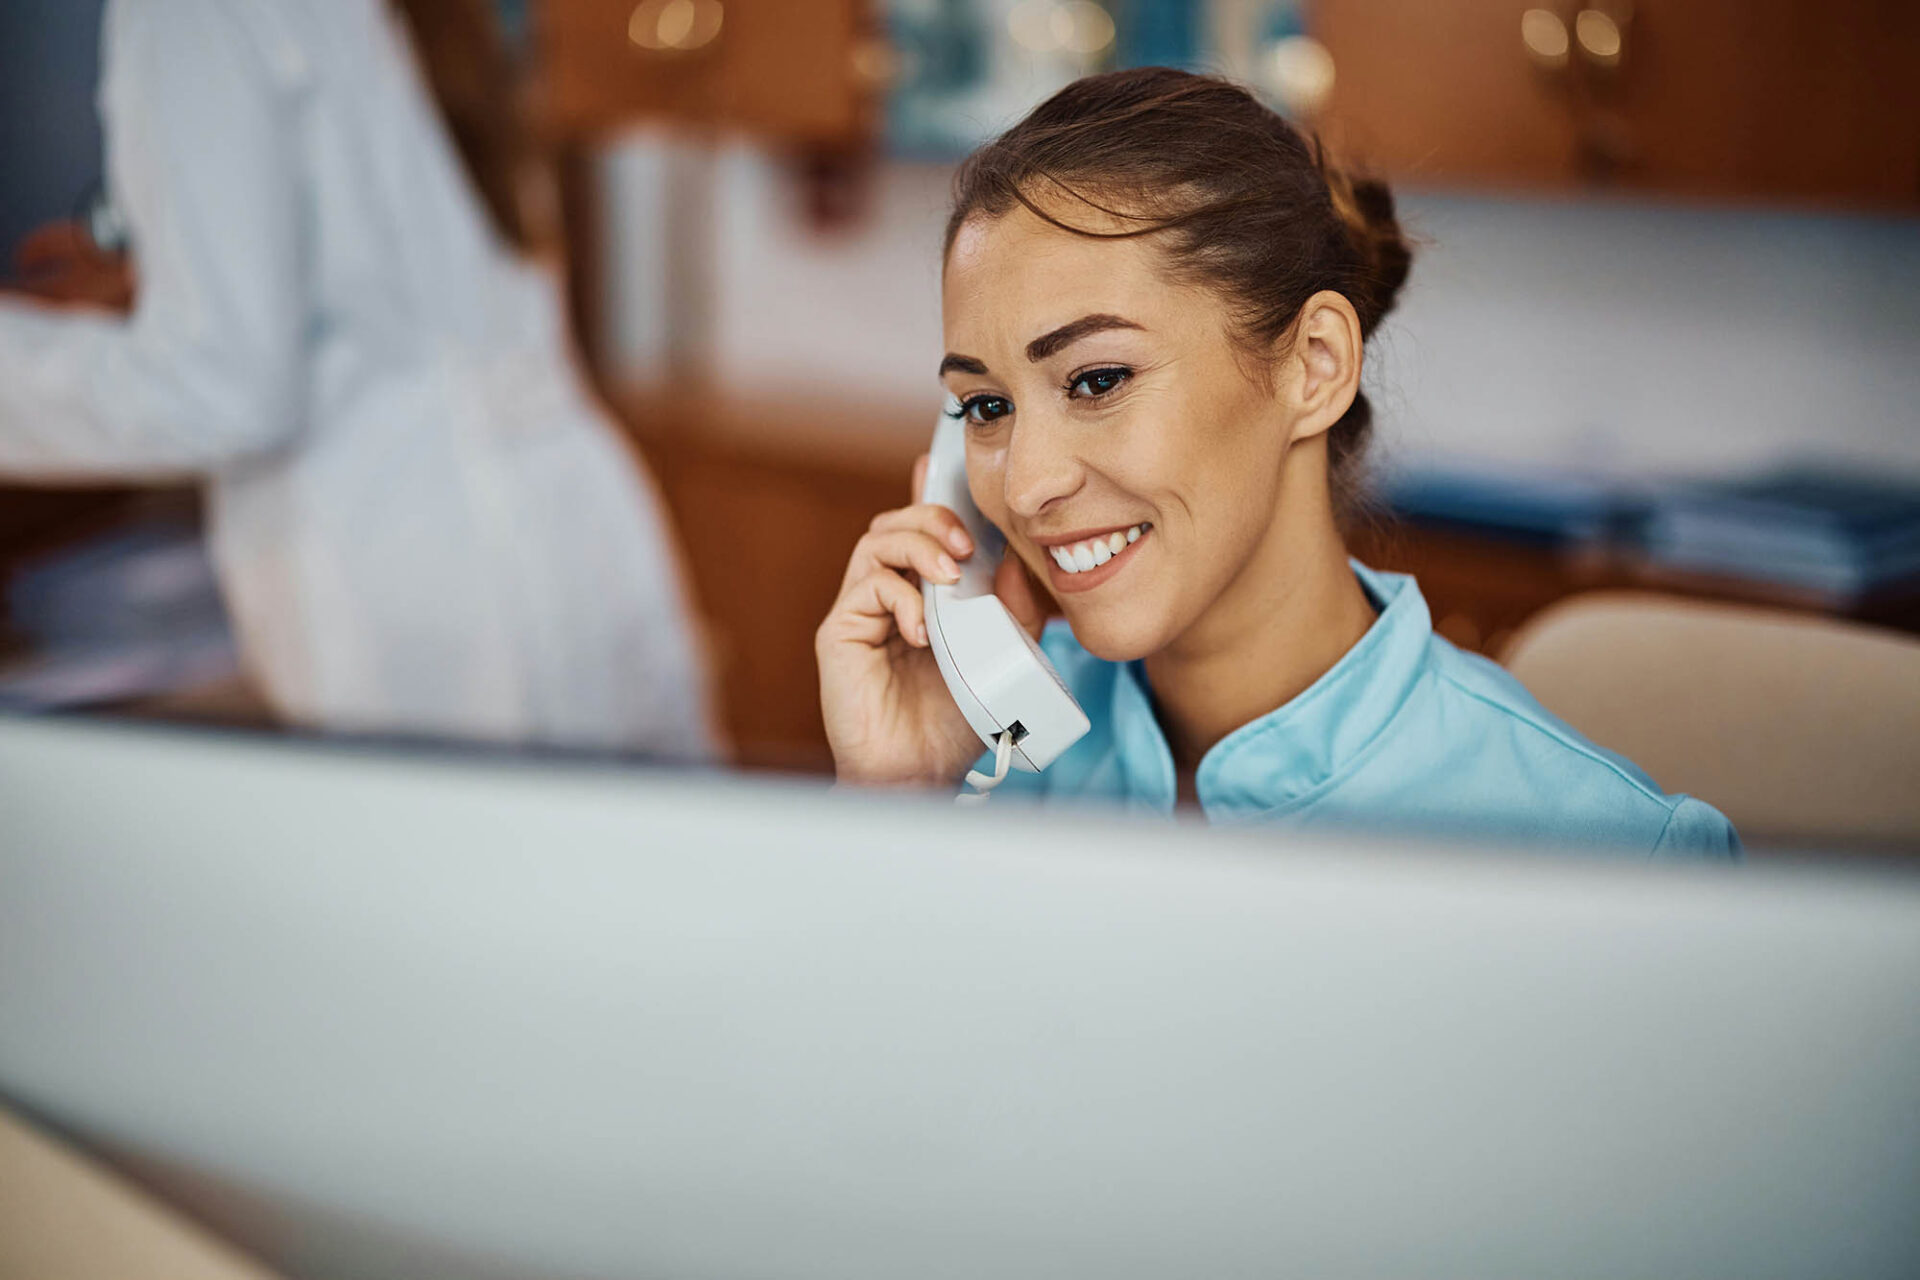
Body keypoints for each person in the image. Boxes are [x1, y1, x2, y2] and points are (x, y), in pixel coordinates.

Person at [816, 68, 1737, 856]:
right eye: (986, 407)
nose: (1024, 485)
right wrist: (894, 807)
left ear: (1315, 366)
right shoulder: (991, 771)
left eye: (1096, 380)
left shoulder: (1607, 852)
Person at [0, 0, 714, 757]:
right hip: (568, 532)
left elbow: (220, 389)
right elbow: (388, 251)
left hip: (428, 592)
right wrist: (164, 279)